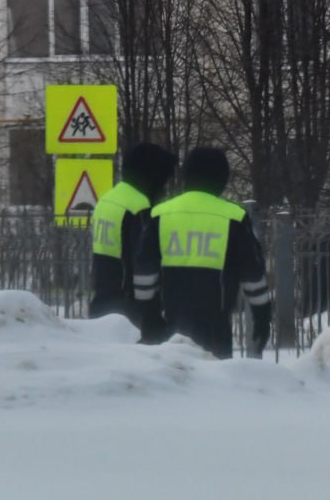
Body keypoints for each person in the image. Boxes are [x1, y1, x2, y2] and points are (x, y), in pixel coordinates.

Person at [134, 147, 271, 358]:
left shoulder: (159, 214)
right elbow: (253, 276)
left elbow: (144, 274)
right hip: (216, 334)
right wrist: (262, 317)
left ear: (187, 175)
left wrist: (148, 317)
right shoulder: (234, 217)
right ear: (222, 179)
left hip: (168, 331)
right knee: (214, 378)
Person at [89, 142, 177, 340]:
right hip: (131, 315)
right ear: (151, 176)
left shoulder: (107, 200)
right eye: (163, 180)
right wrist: (154, 318)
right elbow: (143, 265)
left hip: (102, 305)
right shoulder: (139, 207)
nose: (164, 188)